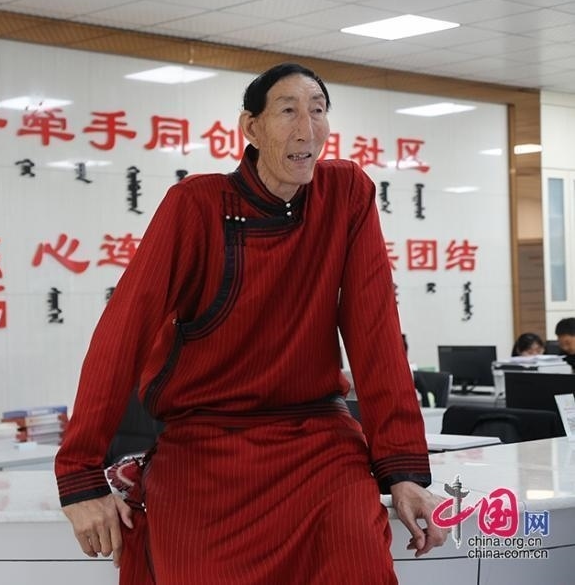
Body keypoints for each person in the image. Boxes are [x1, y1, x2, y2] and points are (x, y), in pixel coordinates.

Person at [54, 62, 446, 584]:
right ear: (252, 128)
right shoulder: (196, 205)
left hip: (318, 442)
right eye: (288, 111)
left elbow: (375, 332)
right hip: (205, 446)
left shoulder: (346, 193)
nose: (307, 129)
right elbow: (123, 332)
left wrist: (403, 469)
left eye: (318, 110)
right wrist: (80, 477)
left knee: (359, 559)